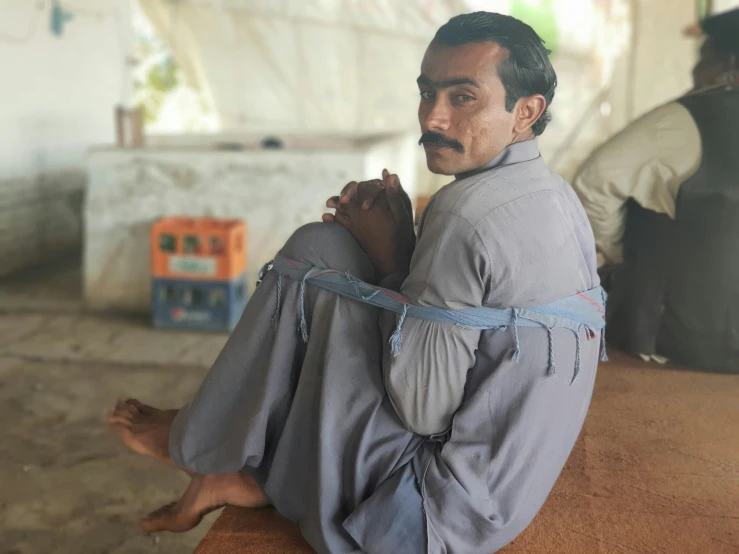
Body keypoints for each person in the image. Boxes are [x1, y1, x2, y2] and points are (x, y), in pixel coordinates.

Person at [108, 12, 603, 553]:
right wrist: (398, 257)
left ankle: (208, 444)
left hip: (424, 518)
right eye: (427, 93)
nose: (433, 118)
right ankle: (229, 452)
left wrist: (392, 259)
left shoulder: (464, 214)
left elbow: (423, 408)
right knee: (330, 254)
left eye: (463, 98)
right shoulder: (553, 194)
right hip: (502, 494)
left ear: (526, 112)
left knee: (313, 256)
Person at [572, 7, 739, 371]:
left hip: (684, 338)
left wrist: (613, 252)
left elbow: (594, 181)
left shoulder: (686, 119)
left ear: (725, 60)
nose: (695, 71)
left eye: (703, 58)